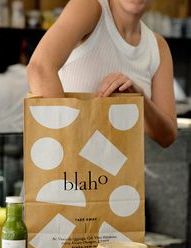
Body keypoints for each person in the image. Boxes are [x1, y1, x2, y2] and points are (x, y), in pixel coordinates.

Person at [27, 0, 177, 148]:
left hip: (123, 170)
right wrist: (76, 150)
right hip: (70, 167)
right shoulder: (89, 7)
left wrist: (140, 99)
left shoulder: (158, 46)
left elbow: (167, 137)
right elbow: (40, 68)